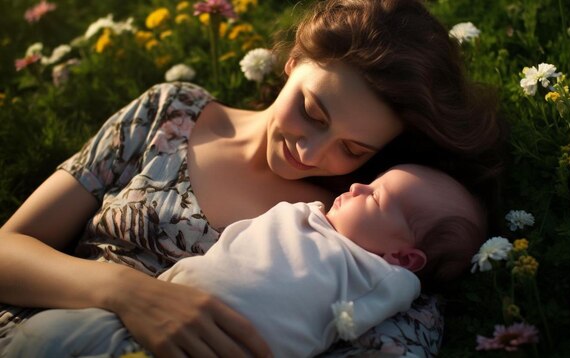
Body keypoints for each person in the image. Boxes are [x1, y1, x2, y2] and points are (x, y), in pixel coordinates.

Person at [0, 0, 505, 357]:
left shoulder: (364, 239)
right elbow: (8, 249)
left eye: (354, 149)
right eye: (311, 110)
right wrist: (128, 293)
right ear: (291, 63)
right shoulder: (171, 112)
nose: (309, 152)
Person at [2, 164, 486, 357]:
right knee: (46, 339)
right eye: (368, 179)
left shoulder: (384, 277)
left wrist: (344, 320)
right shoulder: (306, 214)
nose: (357, 185)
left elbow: (361, 317)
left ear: (404, 254)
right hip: (151, 308)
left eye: (376, 197)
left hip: (227, 348)